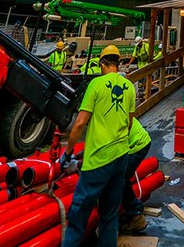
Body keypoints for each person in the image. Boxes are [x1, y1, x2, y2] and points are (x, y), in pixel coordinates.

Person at [60, 44, 135, 247]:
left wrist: (68, 154)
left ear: (102, 64)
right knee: (110, 215)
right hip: (121, 156)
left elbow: (80, 123)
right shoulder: (129, 86)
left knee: (78, 212)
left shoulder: (96, 84)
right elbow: (128, 123)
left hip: (99, 159)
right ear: (117, 64)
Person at [119, 118, 152, 235]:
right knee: (121, 178)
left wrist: (78, 164)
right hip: (137, 139)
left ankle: (136, 215)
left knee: (118, 179)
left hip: (137, 144)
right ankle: (134, 212)